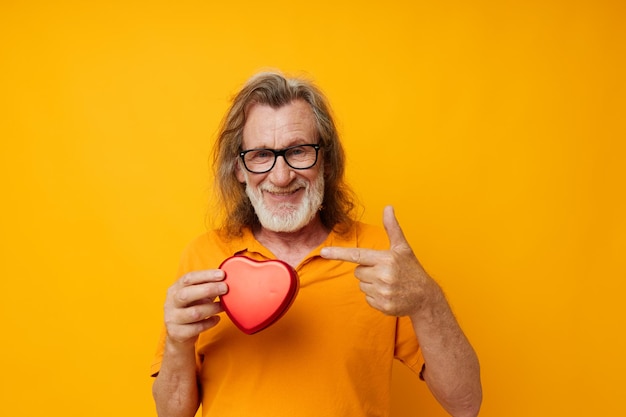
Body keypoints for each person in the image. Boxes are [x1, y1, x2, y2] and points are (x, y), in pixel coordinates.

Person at [151, 71, 482, 417]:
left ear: (326, 160)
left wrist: (427, 300)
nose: (281, 177)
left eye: (298, 151)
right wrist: (178, 342)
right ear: (239, 168)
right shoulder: (203, 258)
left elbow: (466, 403)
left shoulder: (378, 256)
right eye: (262, 155)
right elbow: (172, 414)